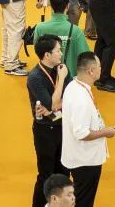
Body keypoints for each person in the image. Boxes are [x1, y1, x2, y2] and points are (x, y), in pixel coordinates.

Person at [61, 52, 115, 207]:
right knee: (84, 201)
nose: (101, 69)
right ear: (91, 71)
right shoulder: (82, 99)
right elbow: (81, 133)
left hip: (78, 157)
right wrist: (105, 132)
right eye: (99, 66)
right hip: (85, 160)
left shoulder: (73, 86)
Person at [27, 35, 71, 207]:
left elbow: (69, 98)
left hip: (63, 127)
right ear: (47, 55)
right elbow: (52, 104)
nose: (61, 54)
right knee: (46, 175)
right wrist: (61, 80)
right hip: (45, 131)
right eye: (58, 50)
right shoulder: (35, 77)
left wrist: (54, 107)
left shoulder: (61, 69)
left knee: (64, 172)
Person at [33, 0, 91, 75]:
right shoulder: (76, 31)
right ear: (67, 6)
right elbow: (85, 58)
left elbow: (38, 51)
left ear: (51, 6)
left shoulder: (39, 28)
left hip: (47, 77)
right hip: (69, 79)